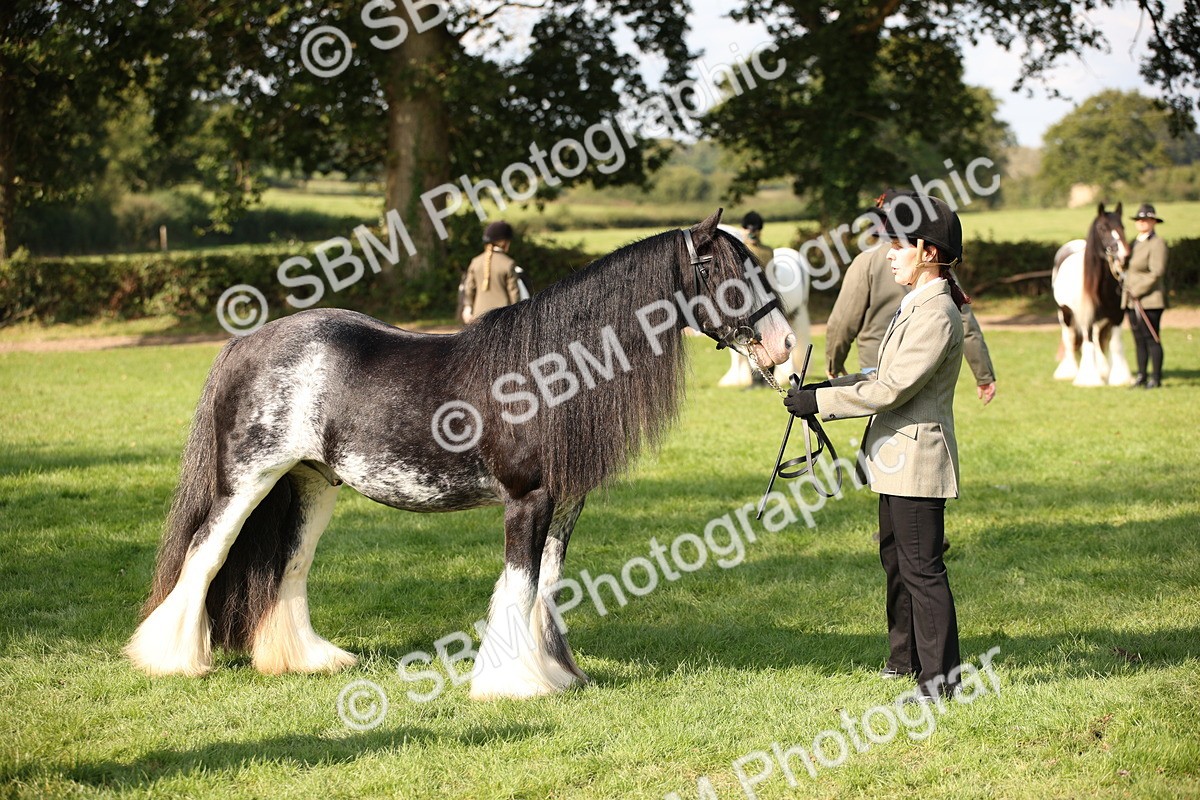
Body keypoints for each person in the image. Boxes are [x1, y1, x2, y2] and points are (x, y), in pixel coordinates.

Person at [784, 193, 967, 702]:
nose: (887, 254)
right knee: (896, 561)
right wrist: (823, 388)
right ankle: (905, 659)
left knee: (922, 570)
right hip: (893, 458)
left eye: (898, 244)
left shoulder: (935, 313)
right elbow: (879, 374)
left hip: (916, 460)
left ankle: (940, 684)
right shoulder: (917, 303)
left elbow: (892, 390)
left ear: (928, 252)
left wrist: (822, 404)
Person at [826, 190, 997, 405]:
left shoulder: (867, 261)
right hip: (921, 365)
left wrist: (833, 364)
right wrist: (983, 374)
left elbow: (844, 320)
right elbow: (966, 323)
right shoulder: (937, 264)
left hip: (877, 364)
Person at [1122, 203, 1168, 388]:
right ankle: (1141, 375)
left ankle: (1155, 378)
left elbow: (1157, 272)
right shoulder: (1134, 243)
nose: (1142, 223)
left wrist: (1138, 290)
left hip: (1150, 300)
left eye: (1145, 219)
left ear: (1153, 222)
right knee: (1138, 340)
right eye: (1139, 219)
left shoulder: (1157, 243)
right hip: (1132, 301)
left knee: (1152, 338)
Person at [462, 221, 522, 324]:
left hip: (478, 318)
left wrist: (467, 308)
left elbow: (469, 288)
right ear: (504, 242)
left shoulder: (475, 262)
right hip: (503, 317)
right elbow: (514, 293)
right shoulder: (508, 263)